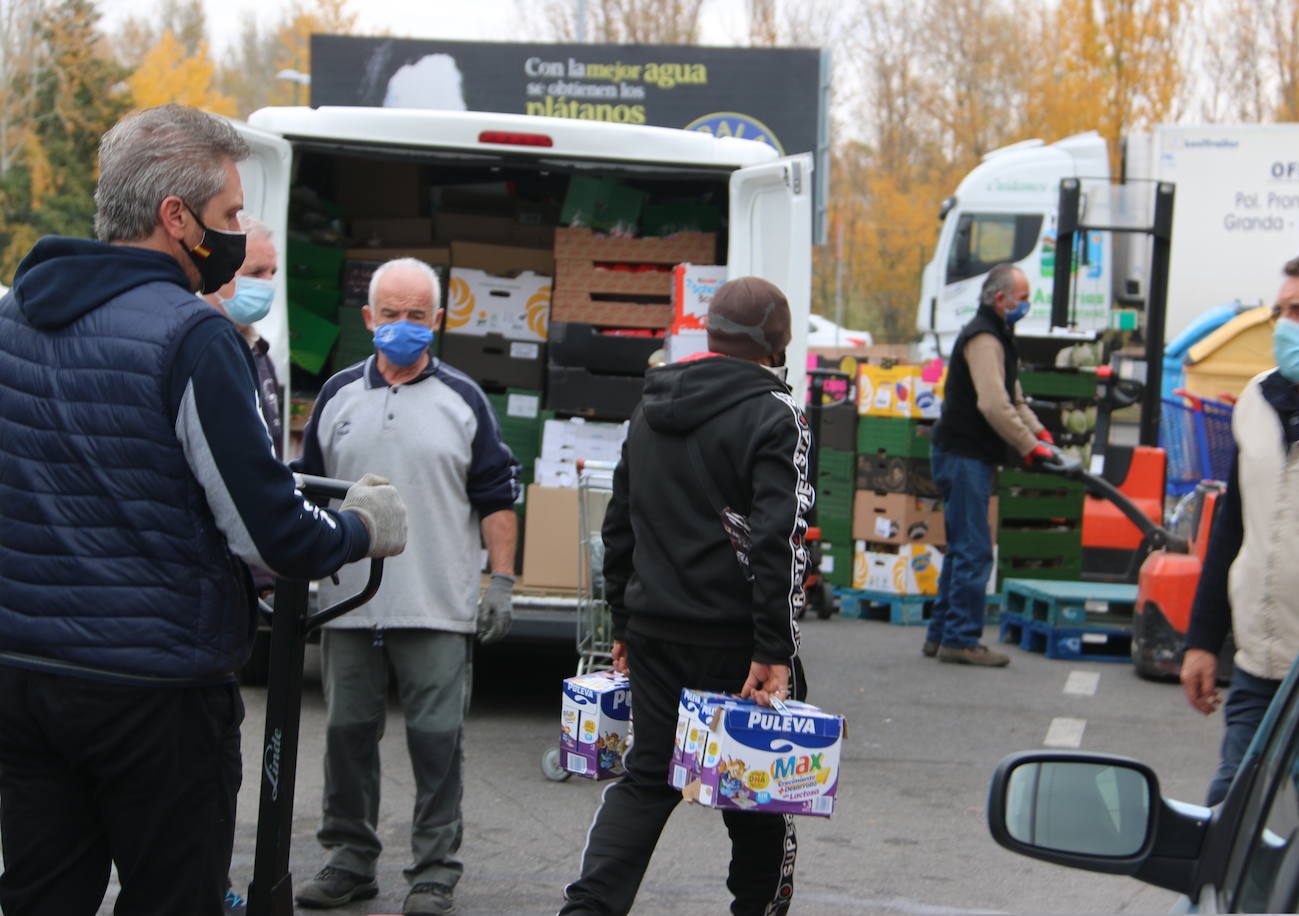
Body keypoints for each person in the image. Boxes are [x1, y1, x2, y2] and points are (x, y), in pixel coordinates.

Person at [0, 104, 407, 916]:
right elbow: (269, 535)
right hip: (156, 692)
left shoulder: (12, 318)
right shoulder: (193, 338)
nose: (235, 236)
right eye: (227, 217)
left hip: (24, 678)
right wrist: (360, 528)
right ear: (175, 218)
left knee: (41, 896)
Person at [560, 276, 812, 916]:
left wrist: (622, 618)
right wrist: (774, 649)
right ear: (778, 342)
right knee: (753, 791)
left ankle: (588, 909)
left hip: (654, 629)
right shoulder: (776, 414)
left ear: (709, 330)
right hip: (735, 637)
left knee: (646, 780)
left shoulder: (650, 404)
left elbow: (619, 523)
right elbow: (778, 538)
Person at [293, 257, 520, 916]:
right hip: (346, 602)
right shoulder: (337, 395)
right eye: (389, 314)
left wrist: (500, 581)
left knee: (436, 737)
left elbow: (496, 499)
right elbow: (306, 494)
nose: (401, 326)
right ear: (368, 318)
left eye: (416, 315)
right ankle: (350, 858)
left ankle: (434, 868)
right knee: (348, 734)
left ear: (438, 322)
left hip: (437, 603)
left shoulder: (464, 400)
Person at [1182, 250, 1299, 806]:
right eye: (1280, 311)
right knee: (1231, 815)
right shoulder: (1259, 401)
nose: (1286, 325)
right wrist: (1201, 641)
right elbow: (1233, 527)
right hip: (1258, 671)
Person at [927, 263, 1061, 667]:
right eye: (1023, 299)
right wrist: (1028, 446)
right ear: (1001, 300)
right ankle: (961, 639)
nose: (1028, 305)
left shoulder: (999, 334)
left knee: (961, 550)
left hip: (968, 454)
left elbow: (1014, 398)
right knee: (974, 550)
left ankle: (941, 635)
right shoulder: (984, 337)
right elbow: (993, 404)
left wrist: (1041, 435)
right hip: (964, 454)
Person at [202, 213, 285, 459]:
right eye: (257, 272)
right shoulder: (197, 350)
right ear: (216, 271)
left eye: (272, 272)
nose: (269, 284)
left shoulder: (258, 349)